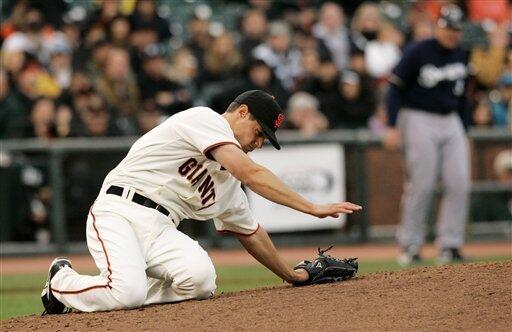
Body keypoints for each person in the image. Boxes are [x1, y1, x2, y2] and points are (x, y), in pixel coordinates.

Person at [41, 90, 362, 314]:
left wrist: (294, 276)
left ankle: (125, 290)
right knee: (128, 292)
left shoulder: (227, 185)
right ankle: (61, 283)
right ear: (241, 112)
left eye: (265, 139)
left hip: (162, 228)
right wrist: (311, 207)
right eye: (259, 132)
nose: (259, 143)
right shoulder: (205, 119)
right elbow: (250, 172)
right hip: (119, 210)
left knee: (200, 281)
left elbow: (252, 233)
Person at [383, 5, 471, 265]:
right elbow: (394, 87)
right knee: (422, 183)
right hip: (418, 116)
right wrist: (391, 124)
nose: (451, 34)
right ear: (438, 27)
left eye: (456, 29)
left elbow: (464, 97)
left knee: (460, 182)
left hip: (451, 119)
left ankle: (451, 244)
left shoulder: (463, 54)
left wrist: (465, 130)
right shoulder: (418, 50)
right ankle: (410, 244)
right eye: (447, 28)